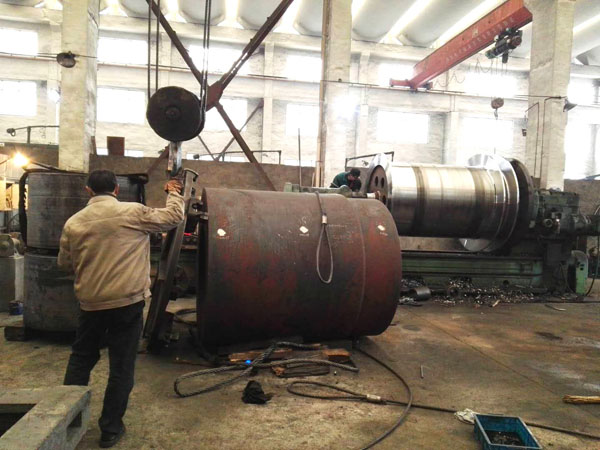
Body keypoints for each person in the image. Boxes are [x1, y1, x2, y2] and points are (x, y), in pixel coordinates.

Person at [57, 169, 185, 448]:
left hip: (91, 304)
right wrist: (174, 193)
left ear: (89, 190)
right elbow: (174, 217)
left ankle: (64, 421)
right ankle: (110, 429)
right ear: (116, 189)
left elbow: (64, 264)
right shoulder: (133, 212)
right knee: (121, 365)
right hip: (127, 304)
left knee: (81, 359)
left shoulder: (73, 223)